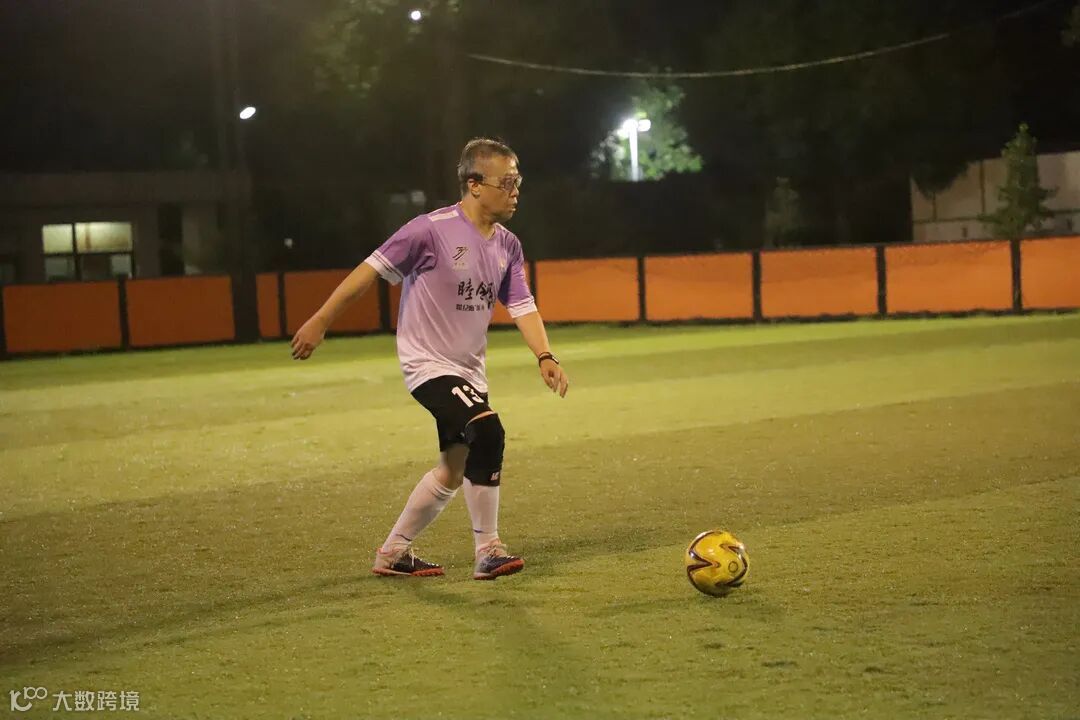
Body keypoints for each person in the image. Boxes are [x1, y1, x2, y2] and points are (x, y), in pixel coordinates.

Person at [290, 137, 569, 580]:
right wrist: (321, 320)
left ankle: (393, 553)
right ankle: (488, 550)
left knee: (453, 468)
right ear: (474, 184)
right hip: (428, 365)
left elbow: (521, 304)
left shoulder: (508, 245)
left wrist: (545, 354)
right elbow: (367, 272)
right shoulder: (429, 230)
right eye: (507, 182)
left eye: (519, 182)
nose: (516, 191)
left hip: (469, 373)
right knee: (488, 431)